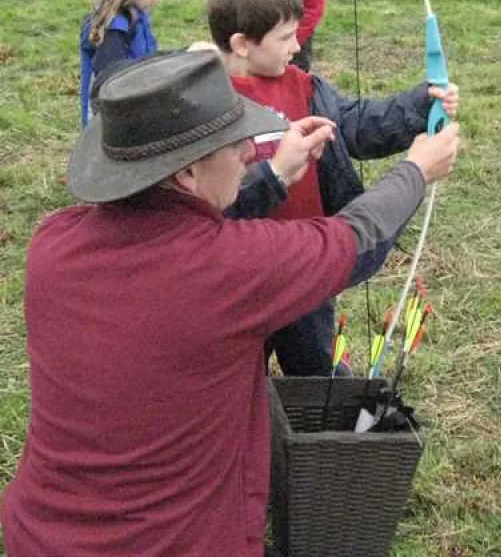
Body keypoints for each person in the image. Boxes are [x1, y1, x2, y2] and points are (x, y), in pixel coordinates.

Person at [0, 49, 460, 556]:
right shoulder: (233, 271)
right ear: (188, 175)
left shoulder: (52, 244)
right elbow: (354, 237)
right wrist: (417, 170)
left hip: (39, 536)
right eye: (235, 143)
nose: (248, 152)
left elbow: (179, 230)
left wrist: (279, 174)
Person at [208, 0, 459, 377]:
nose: (296, 45)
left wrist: (420, 105)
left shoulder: (305, 88)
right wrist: (274, 171)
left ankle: (321, 434)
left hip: (307, 265)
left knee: (314, 365)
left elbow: (360, 123)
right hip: (242, 278)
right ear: (242, 44)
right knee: (236, 375)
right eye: (285, 37)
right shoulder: (213, 105)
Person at [79, 0, 171, 127]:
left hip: (133, 101)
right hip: (107, 117)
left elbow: (147, 57)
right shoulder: (114, 28)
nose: (156, 1)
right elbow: (110, 77)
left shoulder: (138, 18)